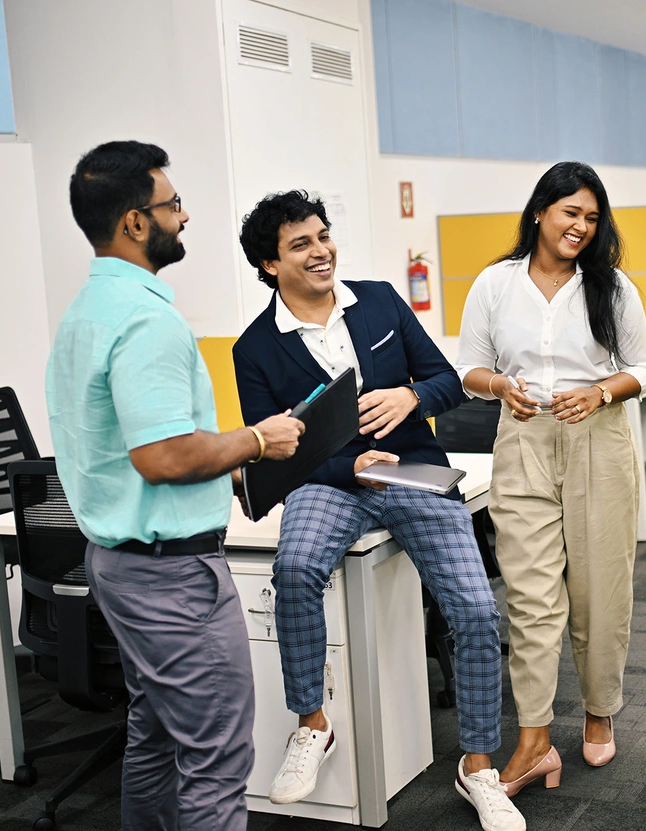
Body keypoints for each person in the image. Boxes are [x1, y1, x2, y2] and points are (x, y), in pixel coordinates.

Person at [232, 190, 525, 831]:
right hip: (327, 486)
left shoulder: (381, 301)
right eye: (300, 244)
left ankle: (478, 767)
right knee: (296, 568)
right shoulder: (254, 349)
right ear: (268, 264)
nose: (320, 251)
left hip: (414, 473)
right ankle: (312, 724)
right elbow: (273, 452)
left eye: (322, 236)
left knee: (476, 611)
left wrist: (410, 397)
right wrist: (350, 465)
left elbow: (448, 380)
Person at [46, 141, 303, 831]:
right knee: (216, 762)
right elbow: (161, 455)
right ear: (135, 221)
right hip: (170, 580)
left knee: (156, 735)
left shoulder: (86, 311)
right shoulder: (146, 320)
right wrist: (257, 439)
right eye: (172, 204)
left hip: (119, 567)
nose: (183, 217)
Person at [455, 161, 646, 795]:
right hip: (523, 440)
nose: (581, 227)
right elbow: (470, 369)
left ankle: (598, 711)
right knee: (531, 595)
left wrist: (600, 392)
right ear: (540, 211)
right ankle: (535, 737)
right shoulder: (495, 283)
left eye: (593, 218)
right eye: (571, 212)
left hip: (598, 438)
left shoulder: (612, 286)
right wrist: (500, 387)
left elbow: (644, 368)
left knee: (599, 588)